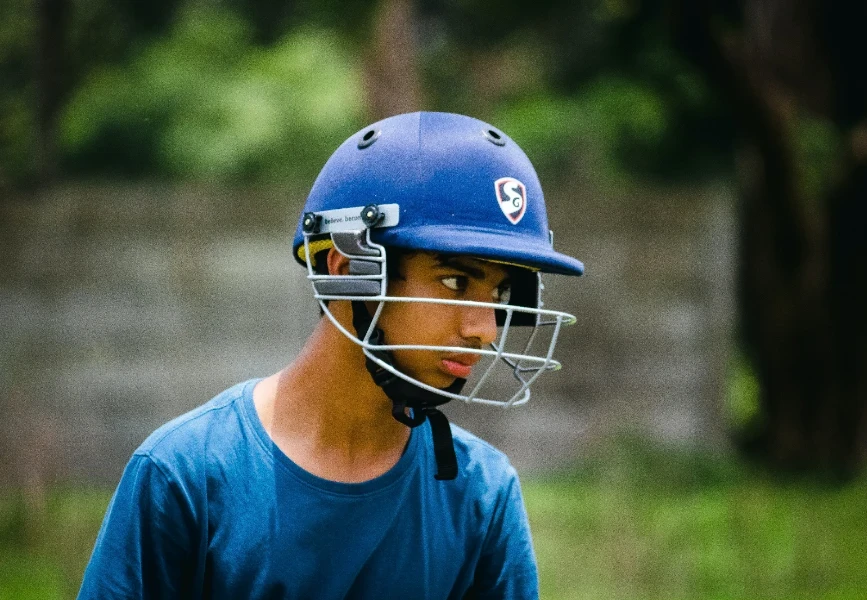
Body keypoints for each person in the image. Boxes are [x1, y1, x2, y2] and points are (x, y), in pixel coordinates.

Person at [77, 111, 584, 599]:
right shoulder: (185, 475)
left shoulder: (483, 495)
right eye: (455, 280)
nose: (485, 330)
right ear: (347, 268)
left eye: (498, 294)